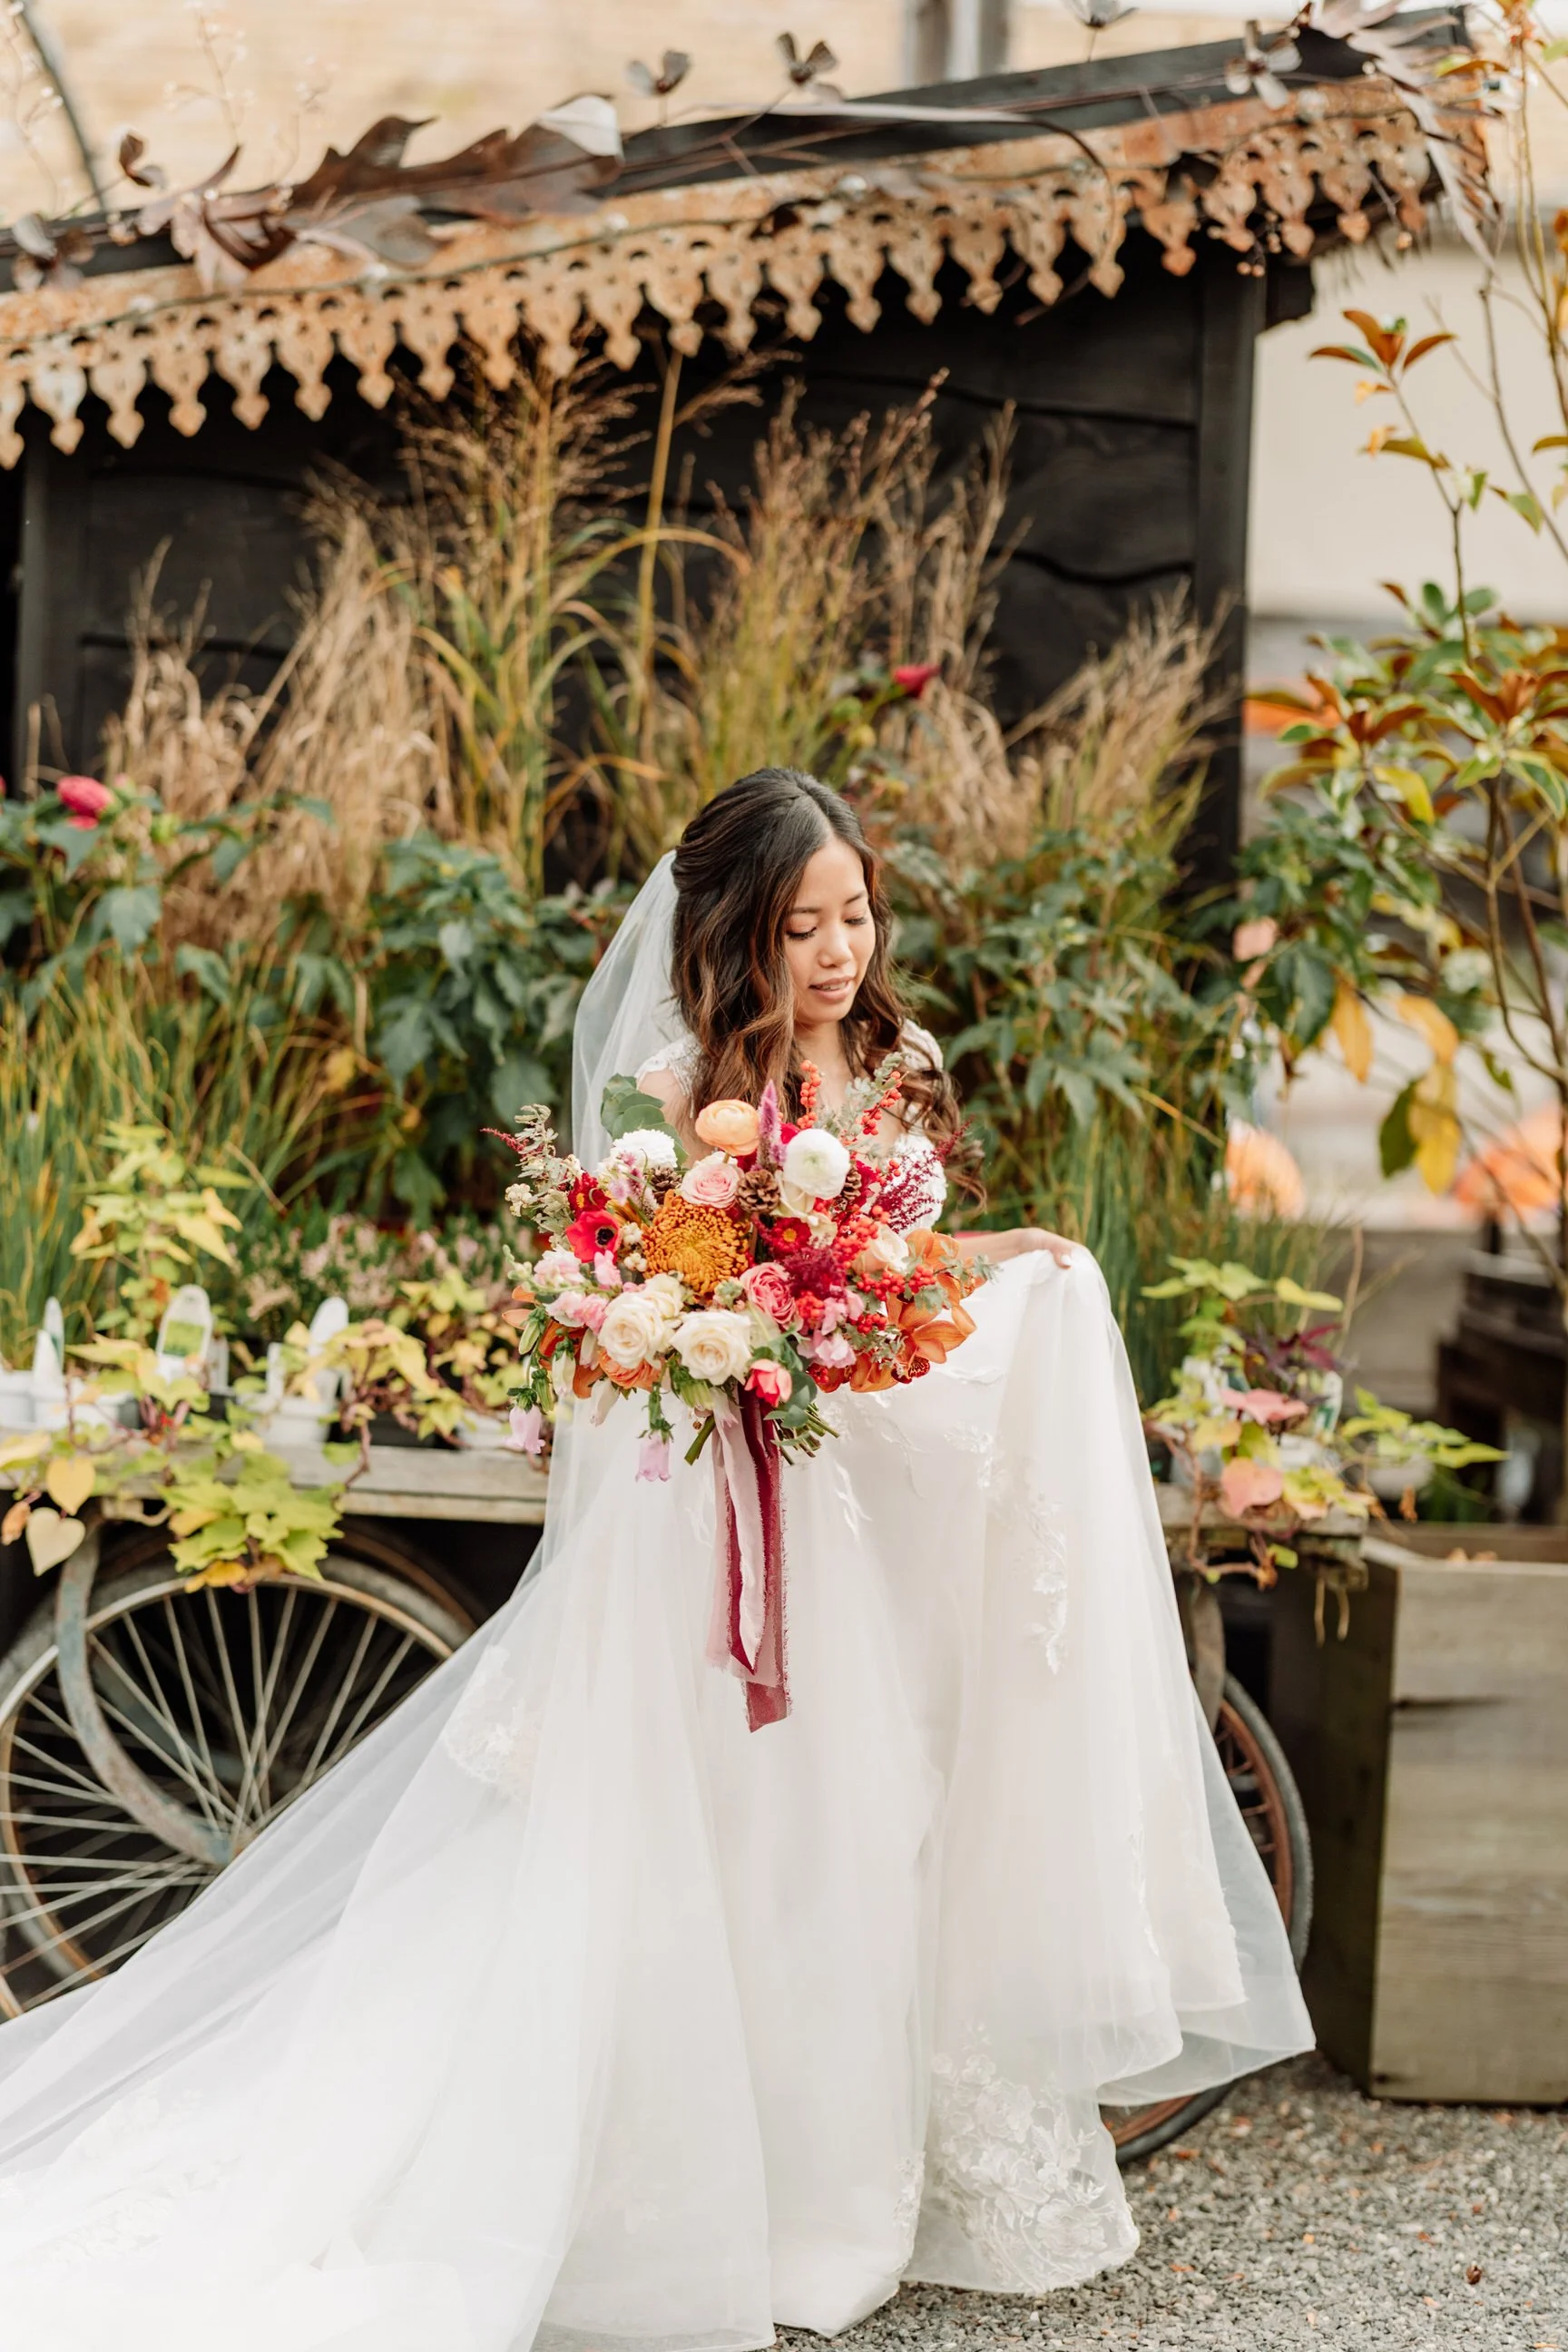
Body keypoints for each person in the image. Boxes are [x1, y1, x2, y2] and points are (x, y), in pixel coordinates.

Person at [0, 768, 1311, 2352]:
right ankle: (735, 2191)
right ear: (732, 935)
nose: (839, 951)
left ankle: (849, 2165)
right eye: (801, 927)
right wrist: (746, 1327)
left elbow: (880, 1275)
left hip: (864, 1521)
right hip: (753, 1533)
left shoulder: (892, 1058)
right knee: (773, 1839)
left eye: (855, 915)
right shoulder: (689, 1094)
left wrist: (1002, 1259)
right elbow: (720, 1312)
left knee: (882, 1818)